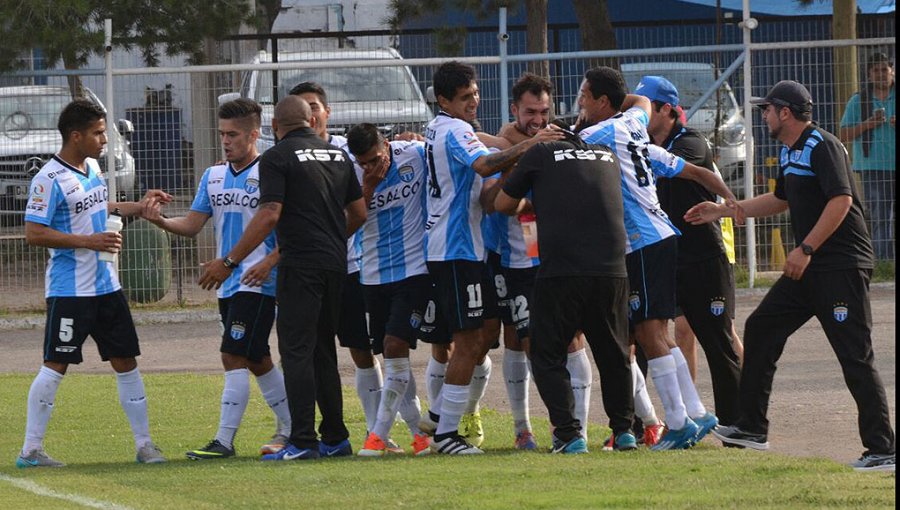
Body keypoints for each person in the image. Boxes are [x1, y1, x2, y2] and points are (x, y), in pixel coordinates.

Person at [688, 80, 896, 472]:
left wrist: (806, 249)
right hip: (811, 268)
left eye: (767, 109)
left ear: (785, 112)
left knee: (855, 356)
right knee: (763, 327)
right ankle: (752, 427)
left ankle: (884, 448)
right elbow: (780, 199)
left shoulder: (822, 144)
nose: (763, 115)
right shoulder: (788, 151)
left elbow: (842, 199)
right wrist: (724, 210)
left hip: (840, 266)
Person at [575, 66, 738, 450]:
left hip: (642, 243)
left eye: (584, 96)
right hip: (663, 238)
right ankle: (696, 412)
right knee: (656, 334)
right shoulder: (635, 129)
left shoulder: (593, 135)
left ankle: (678, 424)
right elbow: (695, 170)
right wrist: (732, 201)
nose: (579, 103)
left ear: (601, 102)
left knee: (649, 335)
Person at [199, 95, 367, 461]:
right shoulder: (336, 155)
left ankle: (303, 441)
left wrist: (229, 261)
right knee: (324, 349)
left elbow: (270, 213)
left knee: (296, 352)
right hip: (336, 264)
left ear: (275, 128)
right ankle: (336, 438)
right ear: (310, 121)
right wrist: (333, 238)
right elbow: (358, 212)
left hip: (299, 265)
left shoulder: (276, 157)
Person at [18, 99, 171, 467]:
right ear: (76, 135)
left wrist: (139, 205)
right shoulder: (48, 179)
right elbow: (34, 233)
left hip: (106, 285)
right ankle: (30, 451)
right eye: (98, 133)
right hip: (70, 290)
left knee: (126, 361)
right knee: (55, 363)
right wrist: (89, 242)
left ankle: (145, 445)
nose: (104, 139)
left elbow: (99, 209)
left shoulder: (91, 167)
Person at [424, 61, 563, 454]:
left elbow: (487, 186)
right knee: (468, 340)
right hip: (456, 249)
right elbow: (484, 163)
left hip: (459, 249)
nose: (474, 102)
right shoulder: (454, 129)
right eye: (466, 97)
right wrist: (531, 145)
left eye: (475, 93)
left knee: (480, 334)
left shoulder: (438, 127)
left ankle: (439, 417)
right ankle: (446, 434)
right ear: (444, 100)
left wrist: (510, 155)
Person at [146, 98, 292, 460]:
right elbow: (193, 225)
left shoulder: (271, 173)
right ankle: (293, 427)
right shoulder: (213, 176)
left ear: (254, 134)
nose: (226, 141)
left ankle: (224, 441)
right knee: (256, 358)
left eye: (233, 135)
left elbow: (287, 226)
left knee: (232, 354)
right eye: (222, 134)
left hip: (258, 282)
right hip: (228, 283)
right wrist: (160, 221)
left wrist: (268, 262)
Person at [493, 125, 633, 454]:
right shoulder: (606, 155)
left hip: (562, 270)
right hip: (613, 268)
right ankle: (624, 431)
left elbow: (502, 203)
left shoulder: (540, 153)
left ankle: (569, 435)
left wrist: (527, 203)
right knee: (614, 354)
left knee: (545, 352)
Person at [482, 72, 593, 449]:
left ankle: (579, 429)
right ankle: (521, 428)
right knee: (518, 338)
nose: (539, 120)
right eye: (531, 112)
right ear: (514, 109)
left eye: (544, 111)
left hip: (558, 256)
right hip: (514, 257)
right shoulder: (504, 143)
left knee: (573, 338)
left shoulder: (559, 137)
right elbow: (490, 201)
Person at [637, 75, 743, 428]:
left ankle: (742, 412)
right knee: (657, 334)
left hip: (704, 257)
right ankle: (683, 415)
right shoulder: (643, 140)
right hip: (667, 256)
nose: (638, 113)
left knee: (718, 338)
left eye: (646, 106)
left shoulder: (691, 143)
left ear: (667, 110)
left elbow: (670, 167)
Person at [345, 123, 433, 457]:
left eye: (374, 159)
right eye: (363, 162)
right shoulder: (351, 175)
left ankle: (377, 437)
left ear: (387, 145)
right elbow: (347, 224)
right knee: (393, 355)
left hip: (414, 271)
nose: (369, 166)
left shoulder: (415, 154)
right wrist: (367, 188)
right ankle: (419, 435)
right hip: (372, 274)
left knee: (395, 345)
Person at [840, 52, 895, 261]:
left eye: (884, 69)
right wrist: (868, 124)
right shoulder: (859, 100)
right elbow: (843, 134)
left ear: (892, 72)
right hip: (873, 166)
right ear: (869, 75)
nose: (881, 74)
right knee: (881, 216)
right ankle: (884, 263)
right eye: (876, 70)